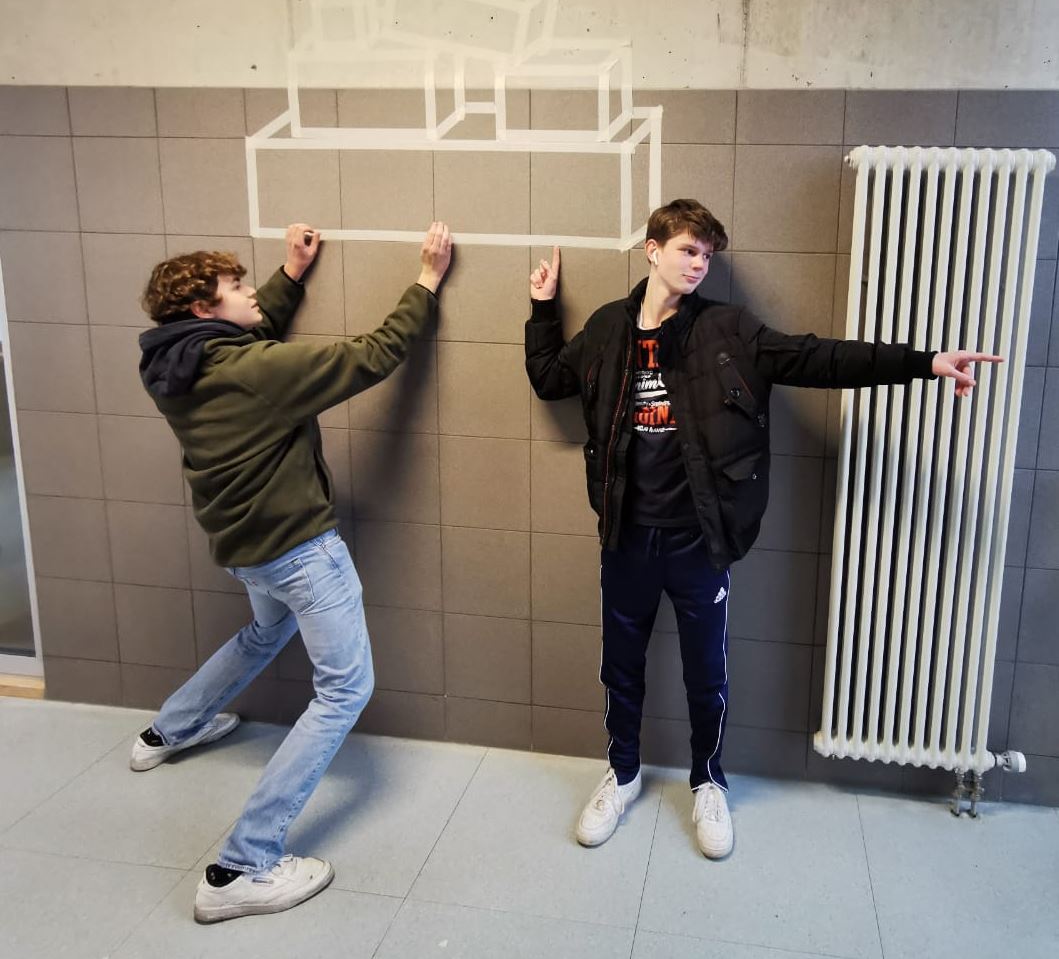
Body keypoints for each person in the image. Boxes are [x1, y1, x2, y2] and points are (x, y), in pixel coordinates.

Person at [524, 198, 999, 859]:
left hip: (699, 541)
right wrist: (542, 309)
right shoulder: (607, 329)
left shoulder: (728, 331)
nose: (699, 263)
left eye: (707, 254)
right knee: (620, 667)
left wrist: (923, 362)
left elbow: (819, 358)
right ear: (652, 250)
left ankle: (707, 781)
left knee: (705, 674)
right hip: (625, 538)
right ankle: (622, 773)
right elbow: (549, 379)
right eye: (688, 249)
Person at [132, 220, 452, 922]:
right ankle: (240, 867)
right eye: (237, 286)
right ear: (203, 309)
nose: (251, 291)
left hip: (243, 548)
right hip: (300, 550)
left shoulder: (173, 365)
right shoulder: (251, 370)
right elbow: (371, 355)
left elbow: (245, 344)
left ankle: (167, 731)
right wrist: (426, 281)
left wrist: (289, 275)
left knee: (264, 633)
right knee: (345, 689)